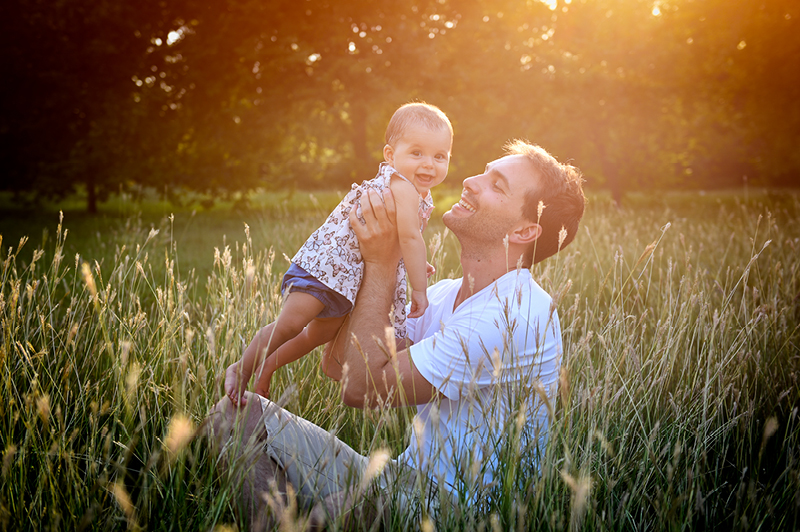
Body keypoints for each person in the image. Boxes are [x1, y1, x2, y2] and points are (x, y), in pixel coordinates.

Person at [208, 139, 586, 529]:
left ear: (525, 230)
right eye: (483, 171)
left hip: (461, 511)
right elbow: (339, 364)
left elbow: (362, 390)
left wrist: (383, 262)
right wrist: (359, 258)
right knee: (235, 416)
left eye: (496, 185)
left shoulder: (513, 314)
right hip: (399, 479)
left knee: (339, 513)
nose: (471, 181)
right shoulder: (440, 297)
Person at [224, 102, 453, 402]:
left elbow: (402, 240)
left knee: (314, 336)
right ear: (390, 155)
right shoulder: (403, 186)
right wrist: (419, 290)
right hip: (328, 267)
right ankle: (240, 369)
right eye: (417, 153)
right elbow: (410, 237)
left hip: (351, 278)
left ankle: (267, 367)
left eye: (440, 156)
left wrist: (417, 264)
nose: (428, 164)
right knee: (292, 324)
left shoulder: (418, 192)